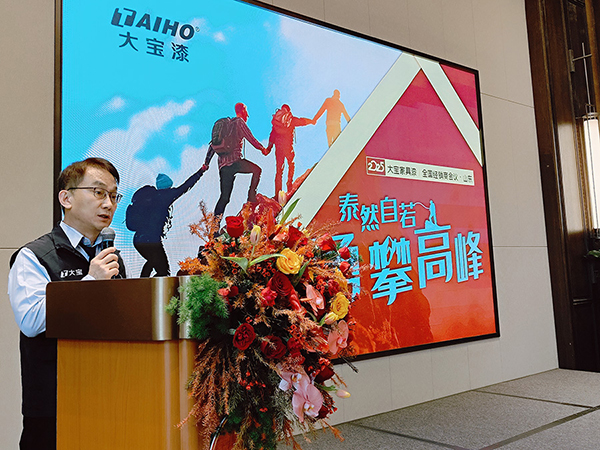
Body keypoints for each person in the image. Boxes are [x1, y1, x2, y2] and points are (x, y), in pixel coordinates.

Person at [7, 157, 126, 450]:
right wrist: (90, 282)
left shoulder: (111, 259)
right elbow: (31, 321)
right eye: (98, 192)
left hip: (109, 401)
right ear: (66, 198)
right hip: (53, 409)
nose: (108, 204)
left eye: (114, 196)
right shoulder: (34, 256)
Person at [126, 167, 205, 277]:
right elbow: (185, 187)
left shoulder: (149, 198)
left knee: (153, 261)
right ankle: (144, 285)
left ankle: (142, 283)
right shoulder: (165, 196)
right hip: (151, 240)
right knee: (163, 270)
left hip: (138, 239)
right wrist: (200, 172)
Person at [202, 102, 267, 221]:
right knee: (257, 170)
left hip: (223, 167)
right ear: (243, 111)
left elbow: (212, 146)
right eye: (246, 111)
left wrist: (206, 163)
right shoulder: (239, 122)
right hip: (235, 162)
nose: (248, 115)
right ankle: (251, 199)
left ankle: (214, 226)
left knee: (224, 197)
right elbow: (250, 137)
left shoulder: (225, 127)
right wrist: (262, 148)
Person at [266, 104, 313, 194]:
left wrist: (269, 147)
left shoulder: (277, 120)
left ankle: (277, 193)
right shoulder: (290, 118)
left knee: (279, 169)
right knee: (291, 164)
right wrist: (312, 121)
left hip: (278, 147)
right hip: (288, 146)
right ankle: (289, 184)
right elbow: (301, 121)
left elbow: (272, 135)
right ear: (288, 110)